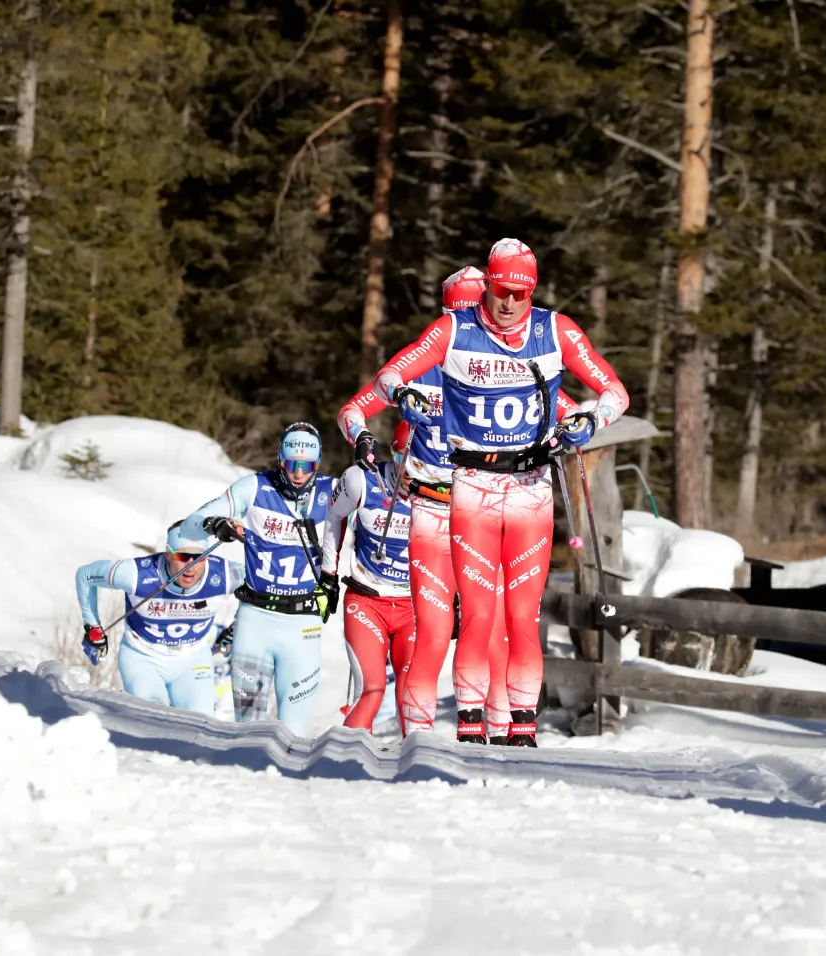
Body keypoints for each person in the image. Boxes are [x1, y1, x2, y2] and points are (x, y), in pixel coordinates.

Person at [369, 239, 629, 746]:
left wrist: (587, 421)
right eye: (500, 291)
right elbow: (387, 376)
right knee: (480, 615)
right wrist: (403, 395)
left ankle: (522, 729)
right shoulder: (454, 330)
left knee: (522, 617)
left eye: (520, 293)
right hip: (473, 487)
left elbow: (615, 393)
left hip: (531, 488)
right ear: (485, 284)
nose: (509, 303)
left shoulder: (556, 330)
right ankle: (469, 725)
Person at [180, 423, 336, 736]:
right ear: (281, 460)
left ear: (317, 465)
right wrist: (216, 524)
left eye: (308, 466)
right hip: (255, 620)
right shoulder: (253, 487)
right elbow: (189, 526)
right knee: (247, 725)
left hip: (303, 622)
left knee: (295, 731)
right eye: (292, 464)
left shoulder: (332, 492)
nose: (299, 474)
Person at [75, 521, 246, 715]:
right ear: (168, 554)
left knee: (202, 722)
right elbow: (86, 576)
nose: (190, 566)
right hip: (143, 658)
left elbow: (264, 589)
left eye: (199, 557)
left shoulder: (225, 574)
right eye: (182, 556)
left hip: (193, 659)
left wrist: (239, 628)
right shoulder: (137, 574)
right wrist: (93, 627)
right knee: (152, 716)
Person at [319, 422, 415, 733]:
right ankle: (343, 765)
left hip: (413, 607)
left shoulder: (442, 490)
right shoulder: (361, 480)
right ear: (394, 454)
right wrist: (328, 576)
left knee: (412, 696)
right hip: (367, 600)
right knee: (371, 692)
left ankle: (419, 774)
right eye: (405, 463)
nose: (412, 474)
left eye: (423, 463)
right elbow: (334, 516)